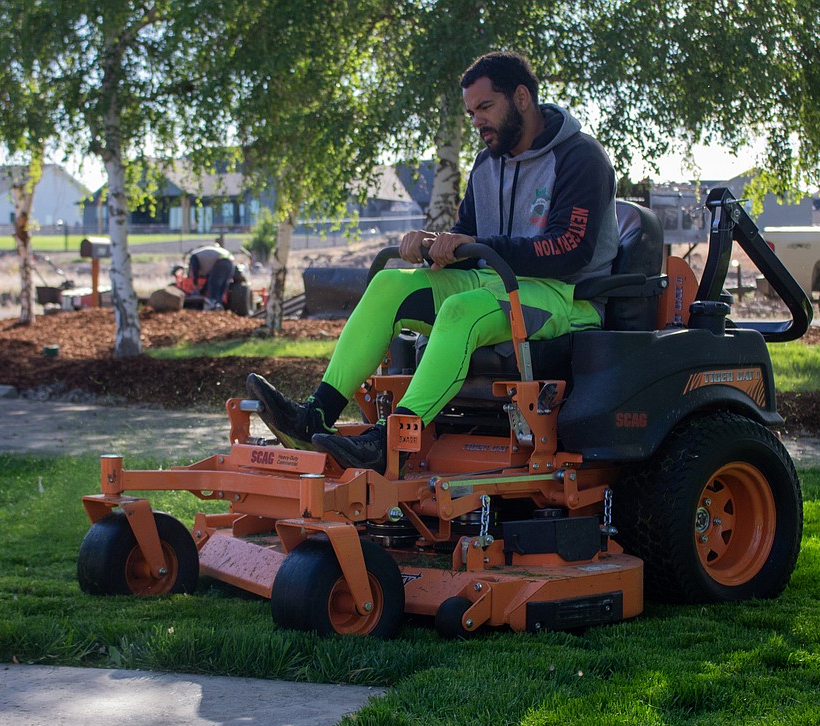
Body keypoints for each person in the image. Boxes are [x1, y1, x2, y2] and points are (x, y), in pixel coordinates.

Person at [247, 50, 619, 473]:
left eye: (484, 107)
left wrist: (475, 245)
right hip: (495, 281)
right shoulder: (486, 165)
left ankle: (391, 441)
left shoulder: (579, 158)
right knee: (390, 283)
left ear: (520, 98)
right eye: (470, 112)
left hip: (566, 296)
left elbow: (570, 249)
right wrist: (433, 247)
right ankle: (313, 415)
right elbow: (467, 240)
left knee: (462, 309)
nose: (476, 120)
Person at [183, 243, 236, 309]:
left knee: (214, 286)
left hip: (221, 262)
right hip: (230, 263)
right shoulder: (206, 257)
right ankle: (218, 305)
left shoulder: (194, 256)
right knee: (221, 288)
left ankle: (213, 305)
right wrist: (202, 291)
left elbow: (195, 270)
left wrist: (195, 281)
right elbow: (208, 280)